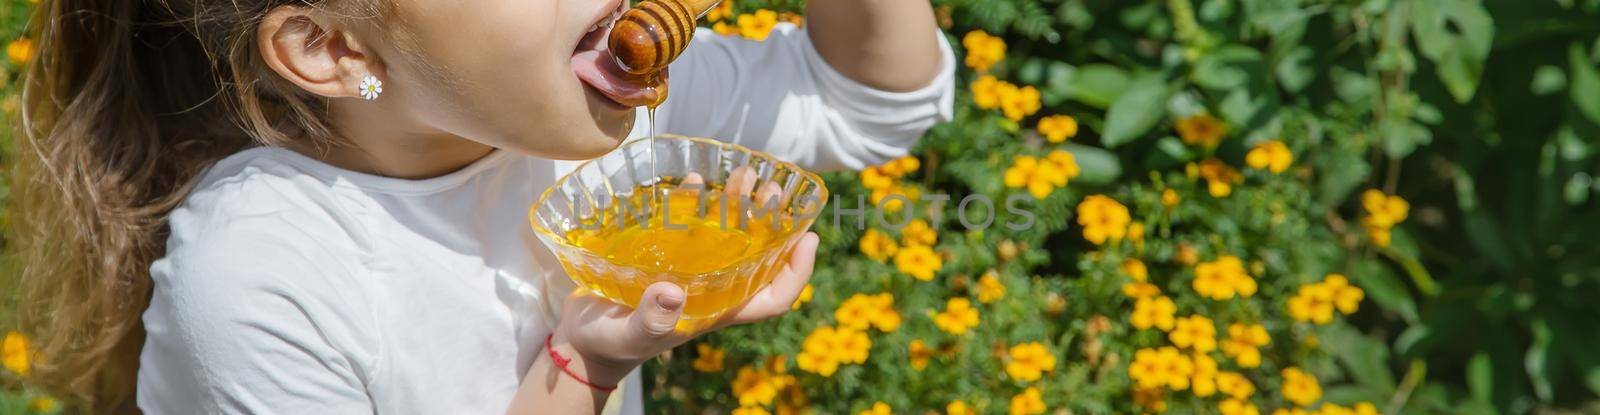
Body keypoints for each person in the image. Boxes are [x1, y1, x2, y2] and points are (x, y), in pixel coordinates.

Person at [10, 0, 953, 413]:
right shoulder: (259, 278)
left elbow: (867, 104)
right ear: (335, 49)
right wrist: (581, 366)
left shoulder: (590, 112)